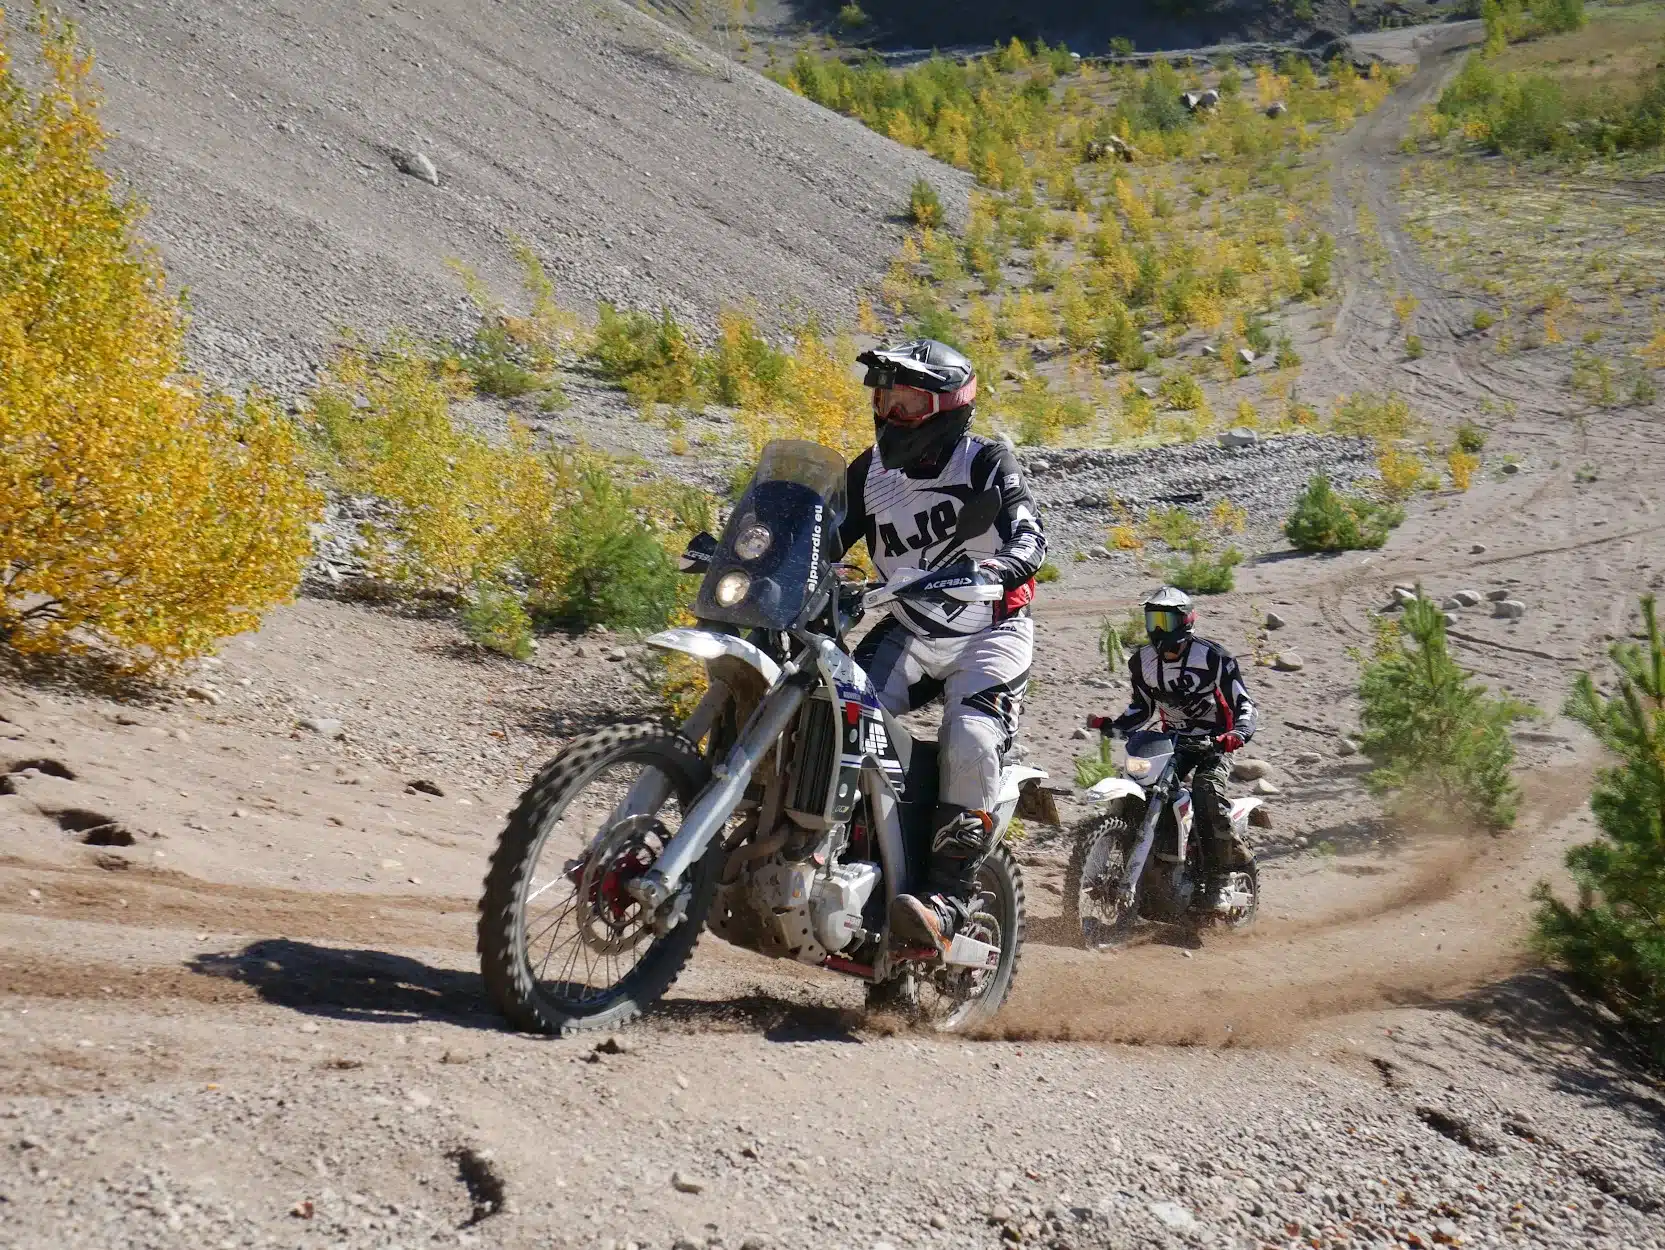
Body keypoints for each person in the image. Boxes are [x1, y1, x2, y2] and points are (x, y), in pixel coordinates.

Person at [835, 338, 1046, 956]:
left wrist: (1002, 566)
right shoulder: (868, 472)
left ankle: (948, 899)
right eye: (884, 399)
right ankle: (841, 853)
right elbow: (824, 534)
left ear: (949, 407)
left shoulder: (987, 462)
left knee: (972, 739)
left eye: (908, 404)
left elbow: (1031, 535)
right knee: (834, 706)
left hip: (990, 632)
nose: (891, 416)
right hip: (912, 627)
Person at [1094, 585, 1258, 913]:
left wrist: (1238, 733)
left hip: (1215, 742)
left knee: (1205, 790)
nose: (1156, 629)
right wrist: (1115, 726)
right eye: (1151, 619)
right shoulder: (1143, 661)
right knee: (1144, 788)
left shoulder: (1213, 657)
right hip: (1172, 742)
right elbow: (1142, 708)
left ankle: (1221, 877)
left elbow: (1244, 702)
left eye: (1164, 621)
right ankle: (1152, 870)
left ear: (1184, 621)